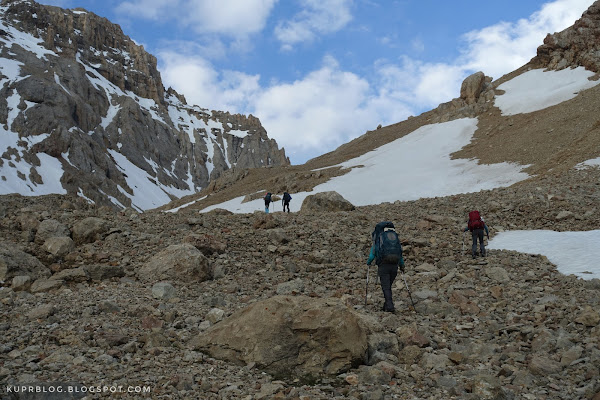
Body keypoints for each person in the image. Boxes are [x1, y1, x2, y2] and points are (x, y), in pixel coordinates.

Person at [367, 221, 405, 313]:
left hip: (383, 266)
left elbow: (372, 255)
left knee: (386, 287)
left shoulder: (379, 239)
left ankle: (390, 307)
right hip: (394, 266)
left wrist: (368, 263)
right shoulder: (395, 240)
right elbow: (400, 254)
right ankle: (386, 305)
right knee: (388, 286)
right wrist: (402, 266)